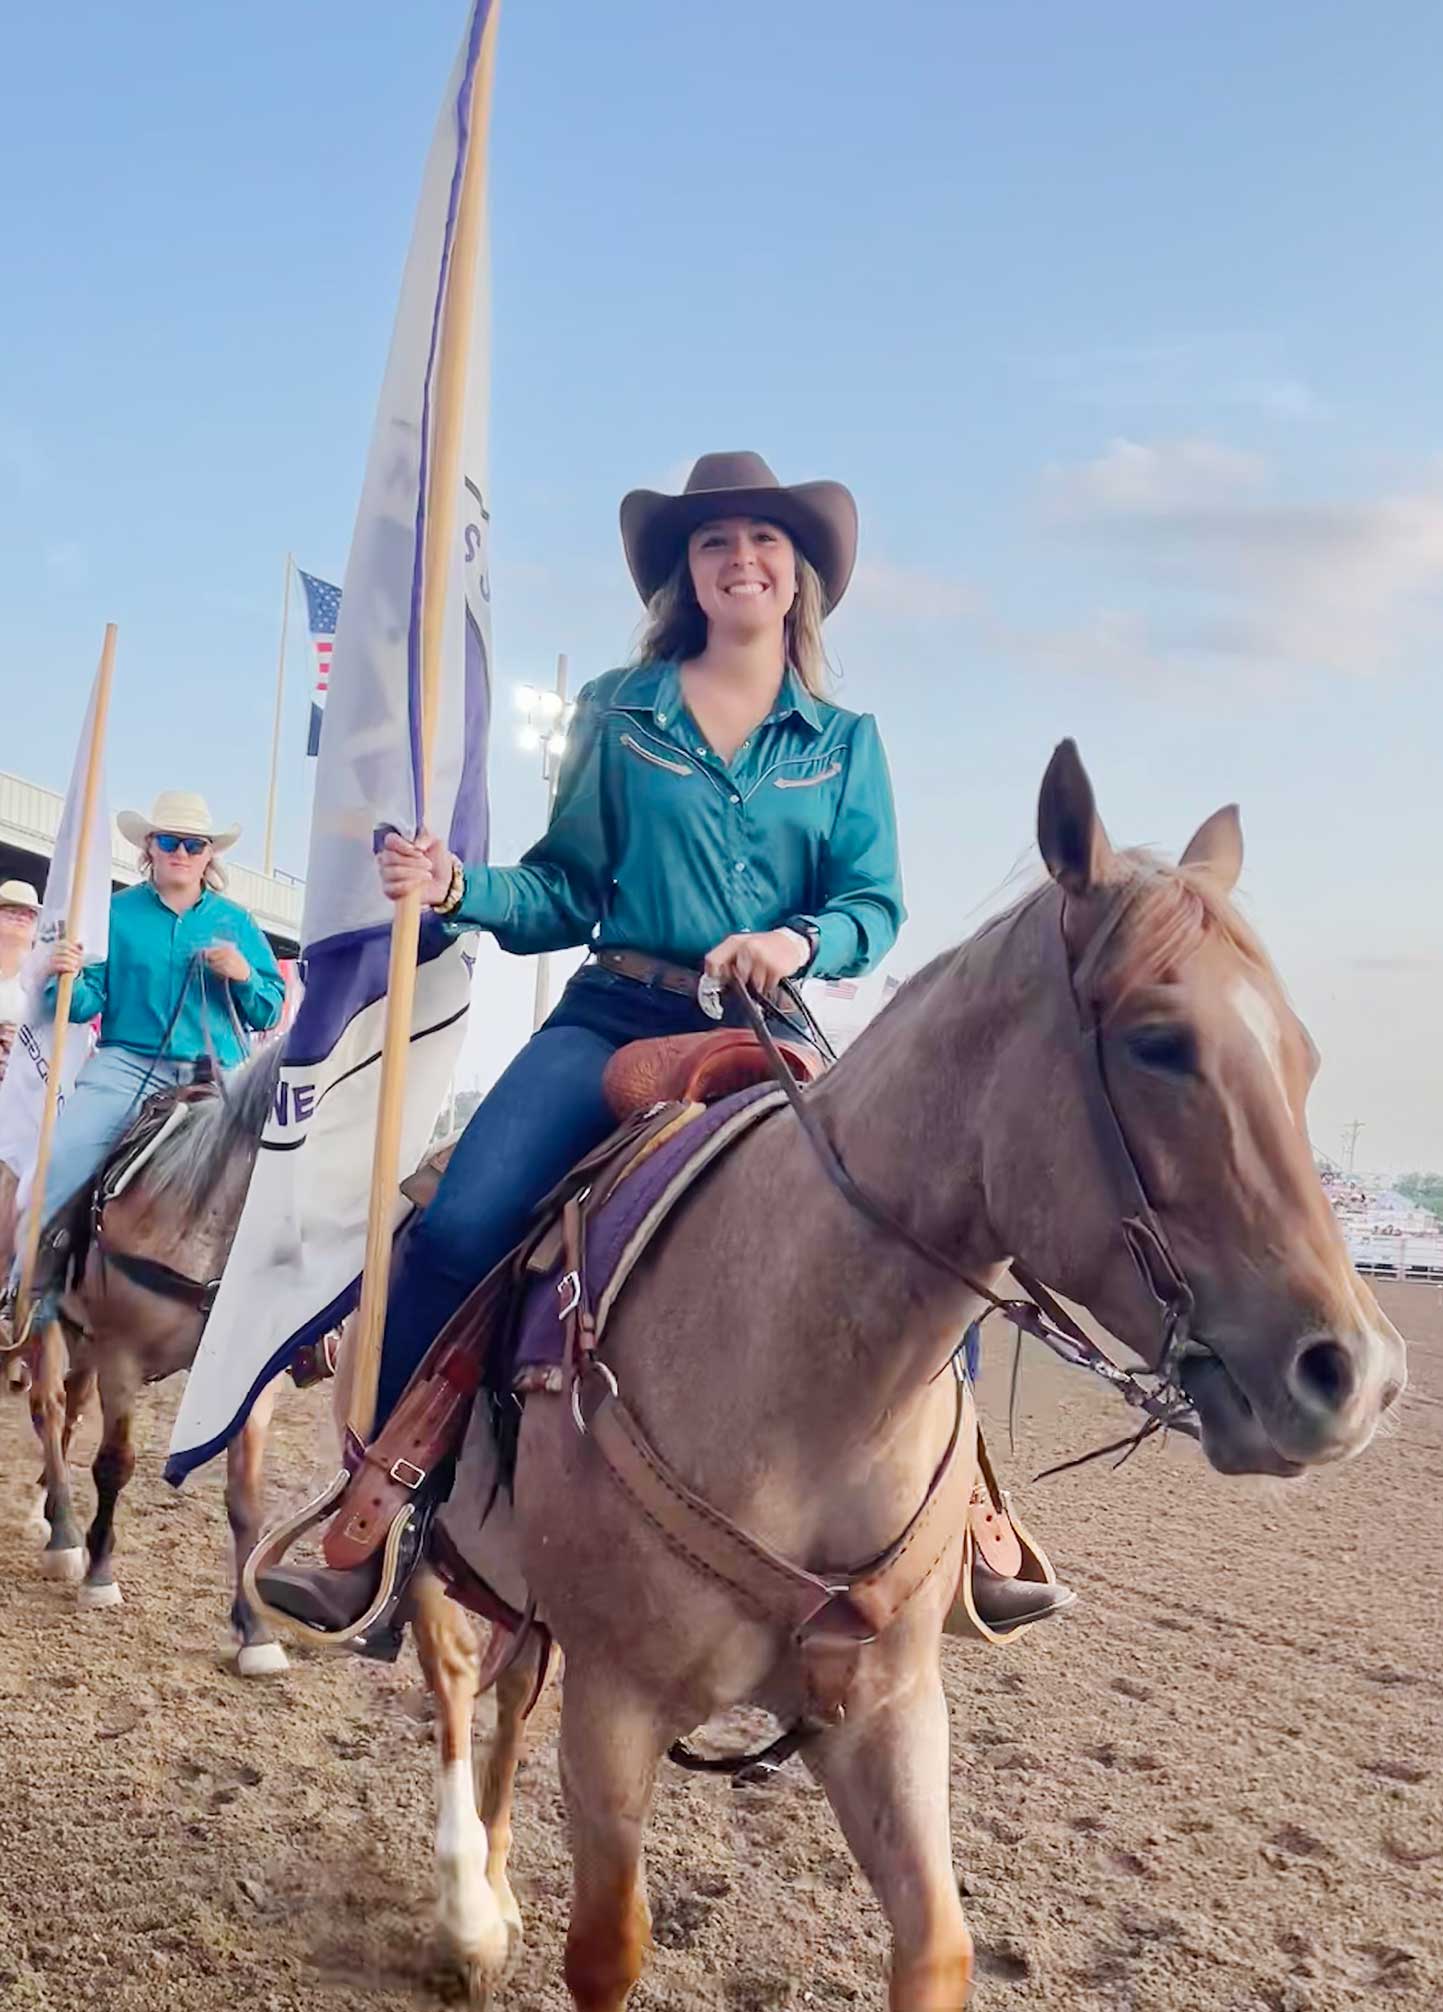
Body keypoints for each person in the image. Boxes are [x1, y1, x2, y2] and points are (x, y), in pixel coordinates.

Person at [264, 450, 1071, 1638]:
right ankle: (376, 1516)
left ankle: (968, 1525)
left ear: (798, 574)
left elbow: (873, 903)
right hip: (616, 1010)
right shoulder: (618, 710)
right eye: (714, 542)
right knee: (460, 1223)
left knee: (917, 1233)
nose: (741, 559)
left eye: (763, 540)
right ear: (687, 575)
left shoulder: (845, 741)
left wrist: (798, 941)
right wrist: (457, 886)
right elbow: (563, 887)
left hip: (764, 1026)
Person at [32, 790, 285, 1232]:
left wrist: (244, 974)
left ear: (209, 855)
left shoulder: (238, 921)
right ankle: (31, 1271)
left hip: (218, 1076)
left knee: (277, 1180)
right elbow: (82, 1004)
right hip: (126, 1068)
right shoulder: (113, 913)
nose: (181, 853)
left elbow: (269, 1013)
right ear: (149, 847)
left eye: (194, 844)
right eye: (169, 841)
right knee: (62, 1160)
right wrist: (65, 976)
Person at [0, 877, 41, 1070]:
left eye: (29, 914)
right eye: (11, 911)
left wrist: (24, 1040)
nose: (21, 918)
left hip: (22, 1074)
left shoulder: (45, 976)